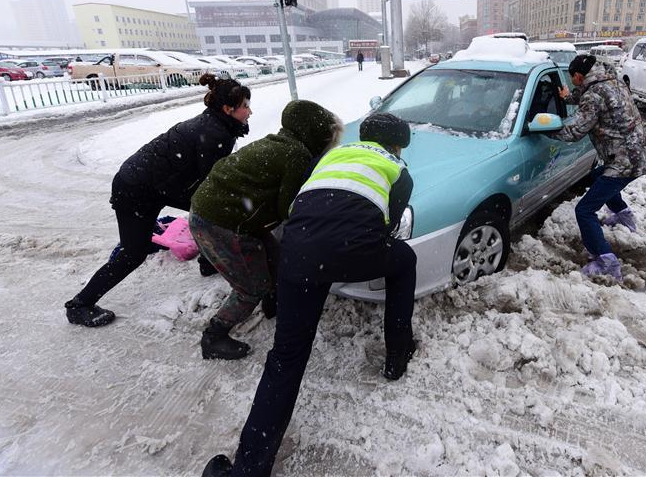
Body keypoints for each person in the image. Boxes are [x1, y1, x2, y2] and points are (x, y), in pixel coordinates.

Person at [202, 113, 417, 477]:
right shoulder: (399, 170)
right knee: (404, 260)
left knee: (286, 359)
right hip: (352, 250)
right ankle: (397, 352)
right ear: (396, 146)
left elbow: (300, 207)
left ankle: (249, 469)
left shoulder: (329, 158)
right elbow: (389, 227)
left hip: (298, 254)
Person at [64, 74, 252, 327]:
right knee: (134, 253)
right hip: (135, 190)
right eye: (245, 106)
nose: (250, 112)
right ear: (228, 109)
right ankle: (80, 305)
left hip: (155, 185)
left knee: (210, 210)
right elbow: (211, 187)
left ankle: (208, 262)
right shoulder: (216, 133)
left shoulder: (217, 125)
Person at [189, 100, 343, 360]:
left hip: (223, 213)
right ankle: (214, 336)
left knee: (276, 257)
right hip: (221, 222)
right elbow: (289, 210)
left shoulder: (280, 142)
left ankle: (274, 302)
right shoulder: (297, 155)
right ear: (317, 136)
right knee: (250, 287)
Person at [553, 54, 646, 282]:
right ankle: (623, 216)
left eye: (572, 79)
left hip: (624, 161)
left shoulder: (594, 95)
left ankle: (606, 261)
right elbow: (591, 98)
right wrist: (569, 98)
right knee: (598, 175)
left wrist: (543, 130)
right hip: (637, 154)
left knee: (584, 211)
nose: (572, 83)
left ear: (579, 76)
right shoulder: (611, 81)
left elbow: (575, 131)